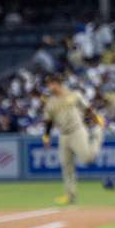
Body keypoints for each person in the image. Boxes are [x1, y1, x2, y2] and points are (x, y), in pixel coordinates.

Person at [42, 75, 105, 205]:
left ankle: (97, 134)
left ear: (57, 83)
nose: (49, 87)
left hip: (77, 130)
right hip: (63, 135)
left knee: (87, 158)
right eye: (48, 84)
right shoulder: (50, 102)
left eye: (50, 84)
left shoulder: (74, 95)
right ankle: (70, 196)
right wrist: (46, 136)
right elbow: (48, 121)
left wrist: (96, 120)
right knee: (66, 166)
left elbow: (87, 109)